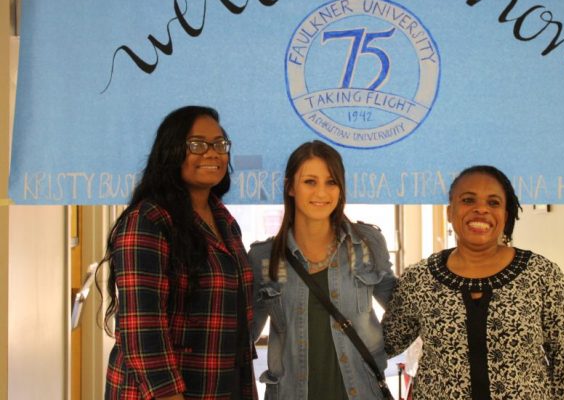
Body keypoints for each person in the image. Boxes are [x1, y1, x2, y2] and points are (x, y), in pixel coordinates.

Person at [383, 165, 564, 399]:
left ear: (505, 215)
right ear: (449, 212)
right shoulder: (419, 279)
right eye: (468, 200)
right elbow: (385, 345)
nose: (481, 209)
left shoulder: (542, 275)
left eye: (493, 203)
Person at [97, 106, 257, 400]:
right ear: (171, 152)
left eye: (220, 144)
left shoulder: (224, 220)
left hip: (219, 386)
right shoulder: (148, 220)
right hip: (160, 393)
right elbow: (143, 330)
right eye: (197, 144)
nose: (212, 153)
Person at [248, 140, 397, 399]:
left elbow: (405, 308)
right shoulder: (264, 258)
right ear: (290, 187)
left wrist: (379, 349)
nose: (321, 193)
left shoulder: (367, 243)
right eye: (310, 182)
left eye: (331, 182)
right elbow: (243, 335)